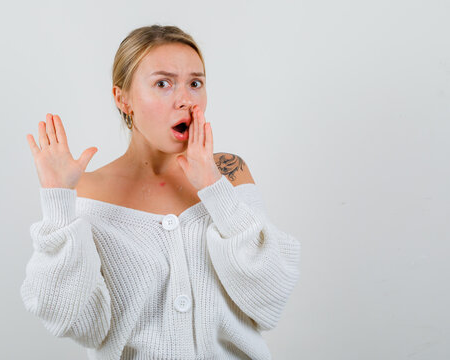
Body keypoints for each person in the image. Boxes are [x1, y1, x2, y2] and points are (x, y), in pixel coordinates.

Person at [20, 24, 301, 360]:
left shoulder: (230, 173)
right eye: (163, 84)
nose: (185, 99)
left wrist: (215, 189)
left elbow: (270, 299)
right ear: (123, 99)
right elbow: (78, 323)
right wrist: (58, 205)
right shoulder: (85, 192)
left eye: (195, 83)